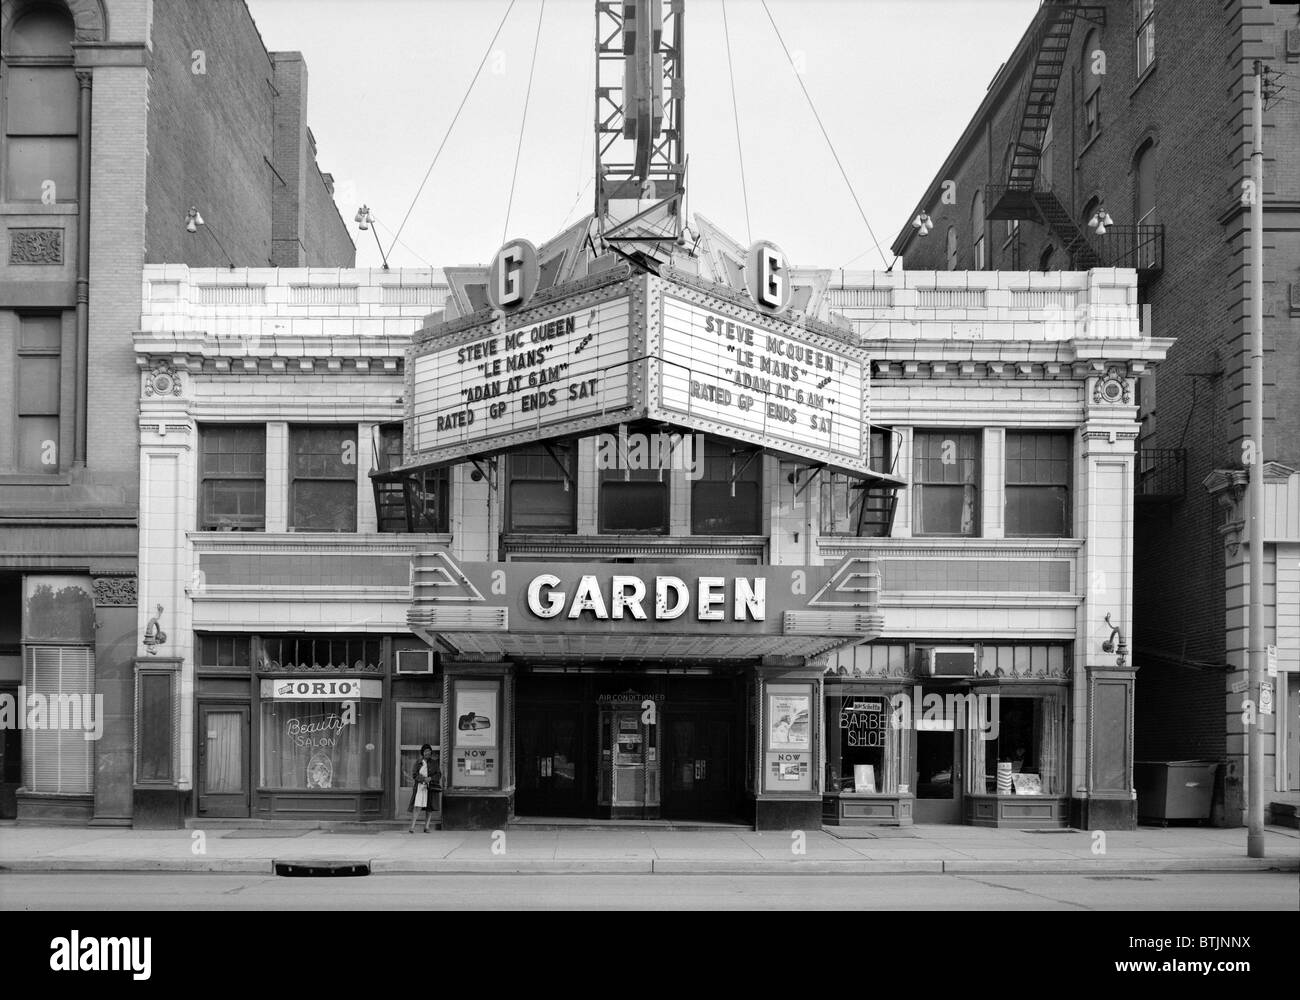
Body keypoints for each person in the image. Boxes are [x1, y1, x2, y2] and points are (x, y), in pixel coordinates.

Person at [407, 744, 440, 833]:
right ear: (422, 753)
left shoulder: (434, 763)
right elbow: (414, 775)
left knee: (429, 807)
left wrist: (431, 779)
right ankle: (412, 827)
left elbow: (438, 774)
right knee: (417, 806)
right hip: (420, 787)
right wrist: (423, 779)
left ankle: (427, 827)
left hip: (430, 787)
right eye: (426, 751)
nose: (427, 753)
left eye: (429, 751)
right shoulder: (418, 762)